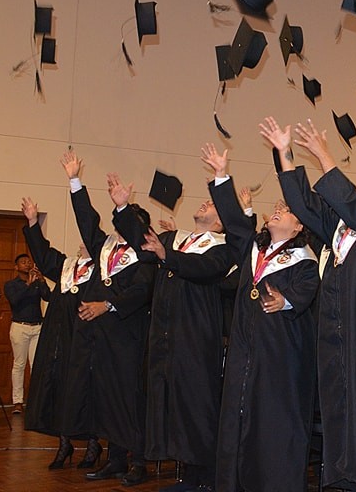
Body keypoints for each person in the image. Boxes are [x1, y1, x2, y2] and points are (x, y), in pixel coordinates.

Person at [260, 117, 356, 492]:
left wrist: (326, 156)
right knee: (339, 408)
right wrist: (285, 154)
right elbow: (306, 204)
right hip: (338, 335)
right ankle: (340, 479)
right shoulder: (343, 228)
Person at [200, 142, 319, 492]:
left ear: (299, 228)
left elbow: (306, 291)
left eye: (287, 209)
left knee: (272, 427)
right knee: (236, 421)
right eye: (278, 206)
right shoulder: (254, 249)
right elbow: (235, 222)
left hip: (279, 362)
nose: (279, 209)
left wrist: (285, 301)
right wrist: (222, 176)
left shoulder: (305, 262)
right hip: (243, 355)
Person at [109, 175, 235, 492]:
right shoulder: (174, 239)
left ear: (221, 222)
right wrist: (123, 207)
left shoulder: (223, 249)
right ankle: (189, 477)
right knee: (173, 407)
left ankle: (207, 478)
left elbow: (204, 270)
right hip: (165, 338)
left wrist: (169, 257)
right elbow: (143, 242)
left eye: (212, 204)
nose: (205, 202)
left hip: (196, 338)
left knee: (198, 407)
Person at [58, 150, 154, 486]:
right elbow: (87, 220)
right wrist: (75, 181)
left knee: (129, 400)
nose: (117, 227)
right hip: (100, 339)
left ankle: (138, 462)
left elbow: (142, 292)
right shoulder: (106, 249)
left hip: (128, 338)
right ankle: (114, 460)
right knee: (106, 398)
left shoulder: (145, 254)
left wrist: (107, 304)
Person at [19, 197, 101, 469]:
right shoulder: (67, 266)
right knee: (59, 389)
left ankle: (92, 445)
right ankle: (64, 445)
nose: (81, 242)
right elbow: (42, 253)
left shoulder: (101, 273)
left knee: (83, 391)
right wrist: (32, 221)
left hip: (83, 341)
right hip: (56, 340)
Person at [4, 251, 48, 414]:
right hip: (19, 327)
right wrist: (28, 284)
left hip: (37, 327)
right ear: (16, 267)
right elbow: (15, 301)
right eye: (23, 262)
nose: (27, 264)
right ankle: (17, 402)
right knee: (19, 364)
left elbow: (49, 297)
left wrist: (42, 281)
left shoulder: (37, 283)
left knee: (36, 364)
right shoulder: (11, 284)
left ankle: (36, 401)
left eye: (28, 261)